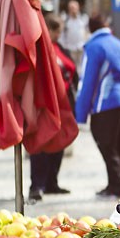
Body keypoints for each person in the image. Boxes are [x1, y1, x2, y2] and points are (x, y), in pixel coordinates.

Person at [75, 14, 120, 198]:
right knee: (119, 146)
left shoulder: (93, 47)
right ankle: (114, 183)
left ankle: (116, 185)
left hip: (104, 103)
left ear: (90, 29)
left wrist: (81, 113)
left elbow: (88, 81)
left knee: (107, 145)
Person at [28, 15, 78, 202]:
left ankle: (51, 183)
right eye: (55, 30)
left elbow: (72, 72)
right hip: (43, 106)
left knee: (59, 144)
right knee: (40, 144)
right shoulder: (36, 48)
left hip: (63, 105)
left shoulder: (60, 48)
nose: (58, 34)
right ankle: (37, 185)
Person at [60, 0, 89, 68]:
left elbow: (87, 31)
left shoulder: (83, 18)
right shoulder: (66, 20)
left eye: (74, 8)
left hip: (81, 48)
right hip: (70, 49)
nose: (73, 10)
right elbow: (62, 35)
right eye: (71, 8)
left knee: (82, 67)